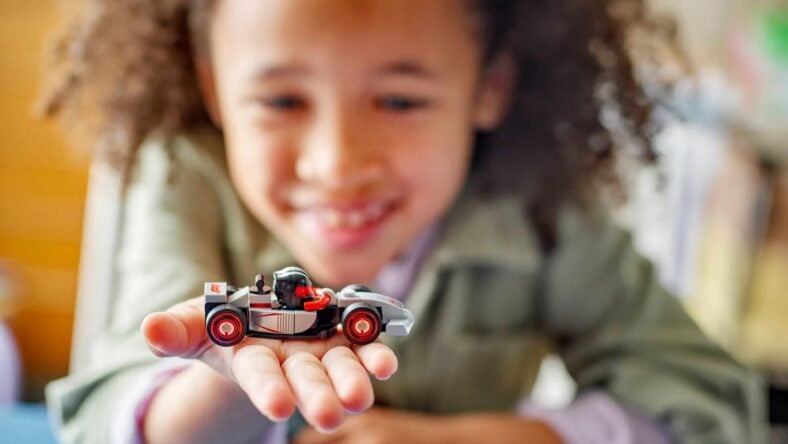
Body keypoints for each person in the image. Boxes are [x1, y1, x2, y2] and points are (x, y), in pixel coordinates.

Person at [41, 0, 766, 443]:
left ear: (491, 87)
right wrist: (225, 384)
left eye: (399, 101)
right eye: (282, 102)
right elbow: (113, 410)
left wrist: (500, 440)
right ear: (213, 84)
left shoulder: (541, 205)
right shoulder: (183, 177)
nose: (337, 164)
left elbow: (710, 402)